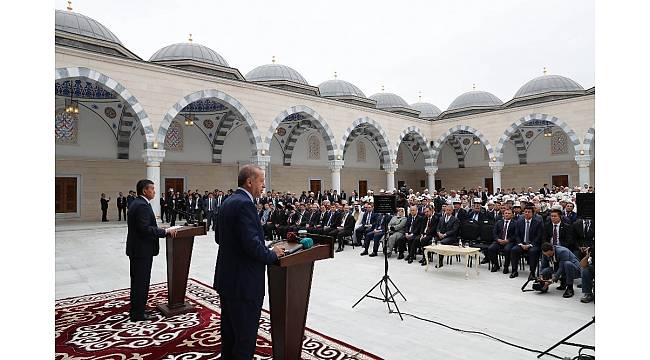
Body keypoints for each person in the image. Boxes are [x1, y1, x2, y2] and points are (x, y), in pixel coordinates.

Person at [213, 165, 285, 360]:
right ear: (250, 181)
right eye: (261, 181)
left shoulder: (228, 201)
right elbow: (252, 246)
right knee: (244, 338)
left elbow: (219, 237)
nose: (264, 185)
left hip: (228, 279)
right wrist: (273, 255)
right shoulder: (245, 204)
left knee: (230, 335)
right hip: (244, 283)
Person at [126, 179, 177, 321]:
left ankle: (138, 309)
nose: (154, 191)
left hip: (138, 250)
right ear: (144, 191)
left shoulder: (139, 203)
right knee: (141, 282)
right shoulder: (141, 205)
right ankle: (138, 314)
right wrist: (165, 232)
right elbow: (144, 229)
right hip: (141, 251)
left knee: (138, 282)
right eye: (152, 189)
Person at [510, 206, 543, 279]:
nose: (527, 213)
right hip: (522, 243)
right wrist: (521, 244)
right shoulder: (519, 222)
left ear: (533, 213)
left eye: (529, 212)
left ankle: (532, 273)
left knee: (533, 252)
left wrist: (530, 245)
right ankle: (514, 271)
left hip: (533, 244)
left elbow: (538, 236)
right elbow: (517, 235)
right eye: (525, 212)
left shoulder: (538, 222)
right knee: (514, 250)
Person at [487, 208, 518, 274]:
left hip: (509, 241)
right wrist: (498, 239)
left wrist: (508, 240)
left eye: (509, 213)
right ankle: (496, 265)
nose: (507, 215)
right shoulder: (499, 222)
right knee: (491, 249)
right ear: (503, 214)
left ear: (512, 215)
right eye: (505, 213)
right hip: (499, 241)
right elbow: (494, 233)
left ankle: (506, 266)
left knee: (507, 250)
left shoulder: (515, 223)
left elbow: (516, 235)